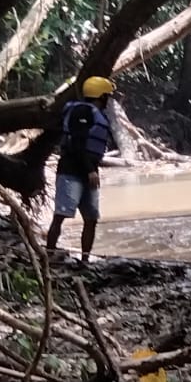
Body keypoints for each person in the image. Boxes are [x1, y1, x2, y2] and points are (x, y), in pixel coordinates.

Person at [45, 77, 115, 263]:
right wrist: (90, 170)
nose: (108, 99)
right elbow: (76, 143)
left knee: (91, 218)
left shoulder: (96, 113)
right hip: (71, 171)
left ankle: (85, 260)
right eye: (107, 95)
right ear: (101, 96)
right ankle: (48, 256)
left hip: (89, 172)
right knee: (61, 215)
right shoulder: (82, 112)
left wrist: (92, 170)